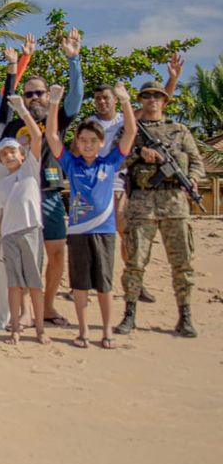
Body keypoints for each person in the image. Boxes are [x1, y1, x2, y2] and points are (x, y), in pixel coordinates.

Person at [0, 28, 85, 326]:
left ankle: (47, 307)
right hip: (19, 197)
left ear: (49, 96)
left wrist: (73, 61)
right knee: (27, 256)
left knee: (56, 253)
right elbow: (5, 97)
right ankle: (22, 311)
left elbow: (76, 97)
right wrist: (22, 61)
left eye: (40, 92)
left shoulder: (57, 119)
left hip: (49, 194)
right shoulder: (12, 124)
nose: (35, 97)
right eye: (30, 93)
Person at [46, 83, 136, 349]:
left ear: (101, 143)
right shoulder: (70, 164)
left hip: (105, 232)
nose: (87, 144)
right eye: (82, 140)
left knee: (105, 286)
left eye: (92, 141)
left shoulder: (109, 162)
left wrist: (126, 102)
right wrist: (54, 103)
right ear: (77, 142)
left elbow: (130, 132)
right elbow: (52, 135)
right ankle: (83, 331)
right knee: (80, 287)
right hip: (77, 233)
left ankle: (107, 331)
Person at [91, 55, 183, 304]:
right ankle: (93, 282)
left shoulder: (126, 119)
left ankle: (136, 282)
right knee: (95, 234)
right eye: (98, 98)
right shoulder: (89, 124)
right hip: (95, 185)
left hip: (120, 183)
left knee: (126, 234)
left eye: (106, 98)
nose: (101, 102)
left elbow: (157, 104)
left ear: (114, 100)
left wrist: (172, 79)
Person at [117, 80, 205, 338]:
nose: (152, 100)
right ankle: (129, 314)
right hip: (143, 202)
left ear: (165, 101)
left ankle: (185, 316)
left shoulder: (180, 130)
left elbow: (197, 162)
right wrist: (138, 153)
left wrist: (194, 178)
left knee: (182, 262)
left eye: (157, 96)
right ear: (141, 100)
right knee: (135, 261)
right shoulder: (132, 131)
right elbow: (118, 158)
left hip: (175, 202)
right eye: (147, 96)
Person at [0, 96, 49, 345]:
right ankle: (15, 328)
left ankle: (40, 330)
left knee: (35, 284)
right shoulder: (3, 183)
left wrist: (22, 110)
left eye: (12, 151)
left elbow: (38, 137)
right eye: (4, 154)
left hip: (31, 231)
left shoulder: (30, 169)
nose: (8, 156)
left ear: (22, 154)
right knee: (14, 285)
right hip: (9, 235)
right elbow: (2, 212)